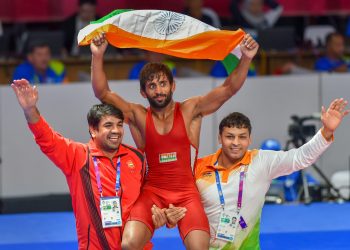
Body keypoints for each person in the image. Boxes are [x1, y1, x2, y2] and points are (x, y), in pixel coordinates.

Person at [90, 32, 259, 249]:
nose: (159, 90)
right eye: (152, 86)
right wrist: (97, 55)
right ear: (143, 92)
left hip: (187, 195)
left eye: (163, 84)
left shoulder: (190, 110)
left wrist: (246, 58)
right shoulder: (138, 116)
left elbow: (229, 89)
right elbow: (102, 92)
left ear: (173, 86)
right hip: (152, 194)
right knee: (128, 245)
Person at [194, 99, 349, 249]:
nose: (236, 143)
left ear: (249, 139)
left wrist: (327, 131)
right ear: (219, 138)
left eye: (242, 137)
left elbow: (300, 157)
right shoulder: (199, 167)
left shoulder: (261, 161)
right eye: (230, 136)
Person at [11, 78, 146, 249]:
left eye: (120, 125)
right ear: (93, 130)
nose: (116, 131)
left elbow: (150, 195)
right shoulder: (77, 155)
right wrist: (30, 110)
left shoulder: (136, 157)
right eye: (108, 125)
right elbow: (47, 139)